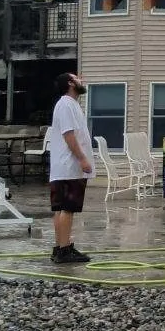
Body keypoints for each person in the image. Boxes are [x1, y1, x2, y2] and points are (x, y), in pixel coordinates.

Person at [49, 72, 94, 264]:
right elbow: (69, 135)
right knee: (67, 208)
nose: (81, 80)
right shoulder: (66, 104)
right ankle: (64, 250)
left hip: (63, 167)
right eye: (77, 78)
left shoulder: (68, 104)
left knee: (60, 209)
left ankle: (60, 248)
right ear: (70, 83)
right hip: (69, 166)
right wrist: (82, 159)